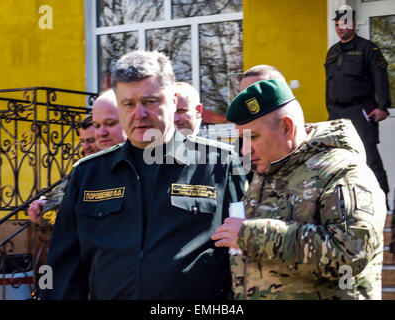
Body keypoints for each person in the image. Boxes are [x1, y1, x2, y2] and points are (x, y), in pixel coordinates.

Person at [40, 50, 245, 300]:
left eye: (150, 101)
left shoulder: (220, 165)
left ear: (172, 99)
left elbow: (243, 260)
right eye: (128, 104)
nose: (139, 114)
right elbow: (61, 267)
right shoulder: (88, 173)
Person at [211, 73, 387, 299]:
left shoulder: (342, 172)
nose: (245, 150)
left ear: (287, 127)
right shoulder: (267, 170)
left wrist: (251, 235)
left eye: (253, 137)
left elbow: (351, 253)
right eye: (242, 139)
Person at [28, 90, 126, 225]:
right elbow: (62, 201)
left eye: (90, 140)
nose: (85, 147)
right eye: (82, 141)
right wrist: (43, 209)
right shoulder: (84, 171)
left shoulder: (144, 162)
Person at [324, 6, 391, 199]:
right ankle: (347, 202)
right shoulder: (332, 52)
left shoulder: (368, 49)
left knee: (369, 158)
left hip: (361, 110)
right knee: (337, 158)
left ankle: (383, 203)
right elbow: (329, 83)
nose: (340, 28)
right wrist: (329, 110)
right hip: (336, 112)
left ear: (353, 24)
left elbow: (380, 78)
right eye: (337, 25)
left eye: (344, 24)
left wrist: (382, 106)